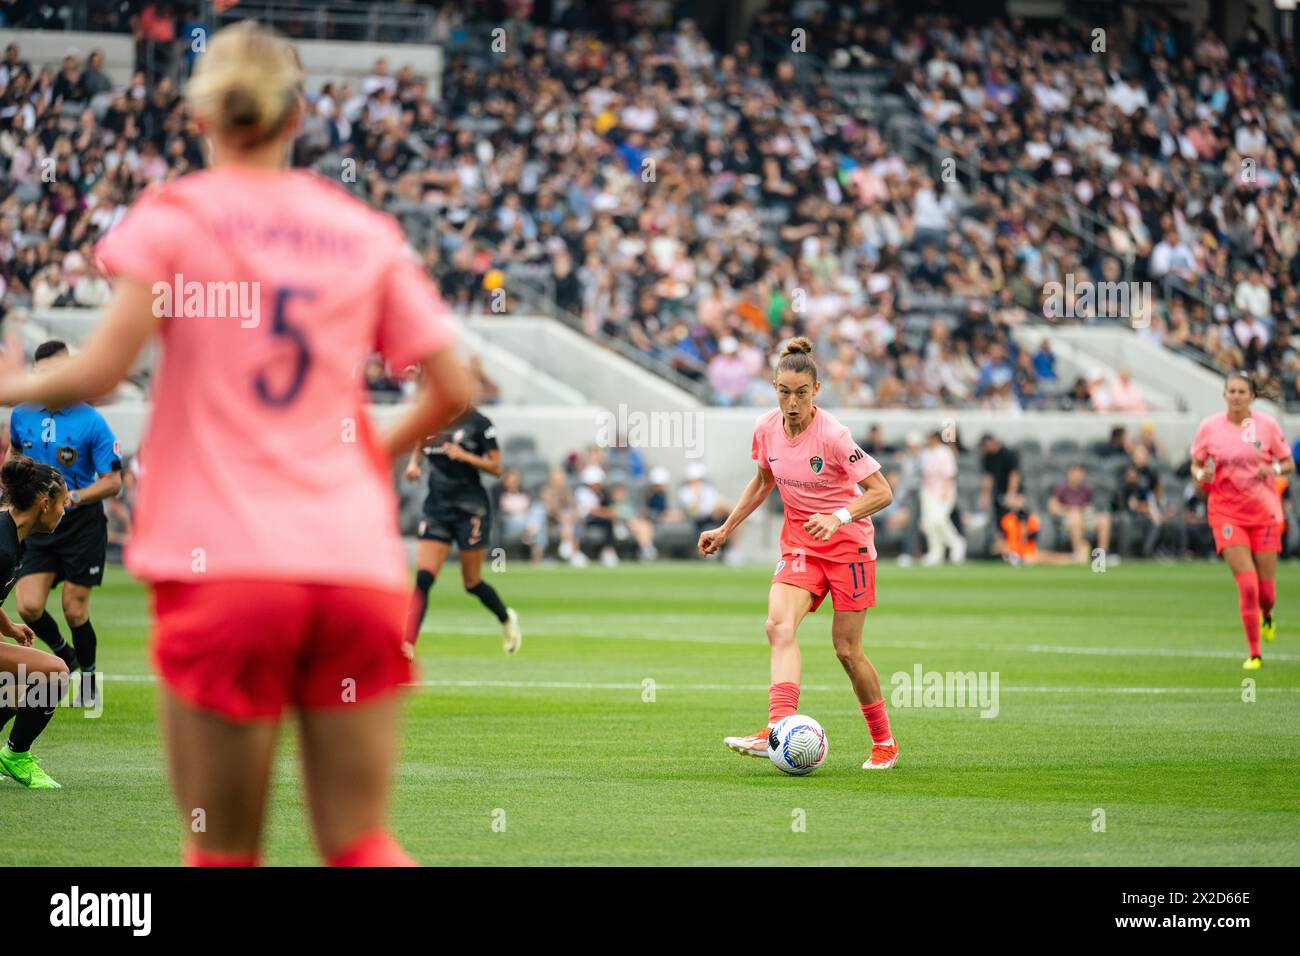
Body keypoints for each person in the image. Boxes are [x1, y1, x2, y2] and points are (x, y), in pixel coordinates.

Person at [0, 22, 472, 864]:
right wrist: (367, 452)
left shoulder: (178, 216)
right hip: (354, 569)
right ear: (299, 118)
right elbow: (456, 383)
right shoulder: (360, 229)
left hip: (224, 567)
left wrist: (9, 381)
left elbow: (99, 370)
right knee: (360, 841)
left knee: (223, 851)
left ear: (201, 117)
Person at [698, 338, 899, 770]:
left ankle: (884, 741)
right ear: (773, 387)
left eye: (801, 393)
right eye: (783, 392)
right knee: (777, 625)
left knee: (846, 650)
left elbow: (882, 491)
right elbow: (762, 481)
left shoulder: (833, 435)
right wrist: (725, 528)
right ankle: (776, 728)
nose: (792, 403)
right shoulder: (766, 427)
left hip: (849, 549)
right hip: (802, 547)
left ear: (817, 391)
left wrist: (839, 516)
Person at [7, 339, 123, 706]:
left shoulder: (91, 420)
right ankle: (65, 656)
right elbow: (14, 451)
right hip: (39, 522)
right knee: (27, 606)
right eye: (42, 374)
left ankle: (89, 679)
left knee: (75, 609)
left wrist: (74, 497)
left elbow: (113, 480)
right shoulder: (22, 413)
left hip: (79, 523)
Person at [1191, 373, 1294, 668]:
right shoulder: (1210, 428)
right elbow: (1196, 465)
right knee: (1247, 584)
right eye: (1231, 391)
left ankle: (1268, 615)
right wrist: (1201, 476)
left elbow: (1288, 462)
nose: (1236, 396)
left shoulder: (1268, 426)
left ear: (1252, 397)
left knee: (1267, 593)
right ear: (1224, 395)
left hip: (1263, 514)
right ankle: (1255, 653)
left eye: (1241, 391)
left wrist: (1272, 468)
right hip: (1226, 512)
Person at [403, 405, 521, 656]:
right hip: (437, 509)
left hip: (471, 510)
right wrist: (414, 465)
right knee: (424, 578)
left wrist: (465, 456)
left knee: (471, 582)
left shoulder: (478, 423)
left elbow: (496, 467)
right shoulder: (430, 416)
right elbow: (420, 445)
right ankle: (408, 644)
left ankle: (506, 618)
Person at [0, 456, 71, 789]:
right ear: (44, 504)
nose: (64, 511)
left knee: (17, 685)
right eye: (63, 504)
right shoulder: (3, 546)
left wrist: (8, 628)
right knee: (54, 672)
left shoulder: (13, 536)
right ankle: (16, 756)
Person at [918, 430, 965, 565]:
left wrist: (945, 491)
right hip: (928, 491)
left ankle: (957, 544)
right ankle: (936, 552)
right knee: (929, 523)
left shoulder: (945, 452)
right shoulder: (925, 453)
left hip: (944, 492)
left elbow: (949, 474)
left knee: (939, 520)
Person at [1047, 464, 1111, 561]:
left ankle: (1101, 556)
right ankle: (1078, 555)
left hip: (1085, 517)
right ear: (1069, 474)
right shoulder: (1061, 488)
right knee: (1076, 516)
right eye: (1075, 473)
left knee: (1104, 519)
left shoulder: (1086, 489)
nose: (1078, 476)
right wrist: (1067, 510)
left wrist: (1086, 509)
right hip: (1067, 519)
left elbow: (1090, 506)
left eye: (1080, 473)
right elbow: (1052, 506)